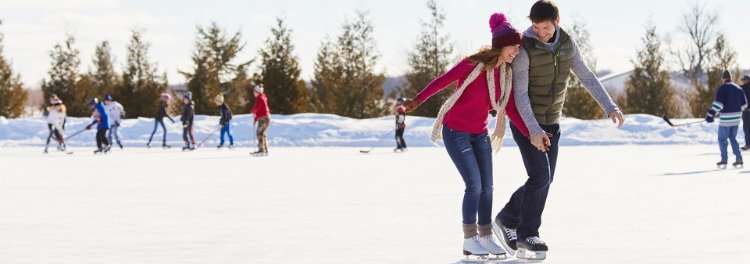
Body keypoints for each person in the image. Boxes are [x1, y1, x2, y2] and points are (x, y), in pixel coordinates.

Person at [492, 1, 624, 260]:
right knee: (540, 176)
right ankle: (527, 234)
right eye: (536, 26)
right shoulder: (525, 48)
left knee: (544, 179)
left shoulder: (567, 44)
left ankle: (506, 218)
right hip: (527, 122)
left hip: (552, 123)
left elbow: (586, 76)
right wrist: (533, 130)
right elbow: (520, 96)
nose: (541, 32)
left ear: (557, 21)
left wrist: (609, 106)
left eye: (546, 27)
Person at [402, 12, 528, 259]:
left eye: (517, 47)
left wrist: (531, 134)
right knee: (474, 185)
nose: (516, 51)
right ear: (502, 45)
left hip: (479, 134)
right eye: (514, 46)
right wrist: (417, 100)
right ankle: (470, 238)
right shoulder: (472, 65)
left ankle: (485, 235)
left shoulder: (505, 74)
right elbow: (443, 81)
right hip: (456, 132)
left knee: (488, 187)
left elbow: (508, 107)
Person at [706, 70, 747, 168]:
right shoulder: (738, 88)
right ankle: (739, 159)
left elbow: (718, 105)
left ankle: (724, 160)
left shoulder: (723, 88)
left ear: (723, 79)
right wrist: (736, 111)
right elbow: (745, 104)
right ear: (731, 78)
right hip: (736, 119)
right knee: (733, 138)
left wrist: (711, 114)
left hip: (726, 120)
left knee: (722, 139)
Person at [251, 84, 270, 155]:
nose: (254, 93)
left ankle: (262, 149)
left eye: (254, 92)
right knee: (262, 133)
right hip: (265, 117)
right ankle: (264, 149)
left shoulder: (260, 98)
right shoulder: (262, 97)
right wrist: (255, 119)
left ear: (258, 92)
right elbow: (259, 111)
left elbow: (257, 108)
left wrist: (253, 110)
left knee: (259, 133)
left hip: (264, 118)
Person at [740, 75, 750, 150]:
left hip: (747, 111)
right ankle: (747, 144)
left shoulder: (746, 88)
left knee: (747, 128)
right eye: (742, 80)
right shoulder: (742, 88)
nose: (743, 81)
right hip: (745, 111)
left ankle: (748, 144)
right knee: (746, 128)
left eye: (744, 80)